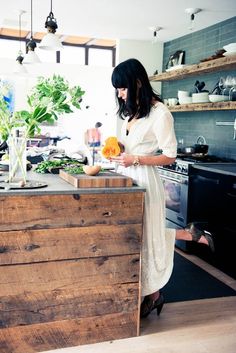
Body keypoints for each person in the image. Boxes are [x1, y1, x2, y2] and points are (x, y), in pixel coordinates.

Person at [110, 58, 214, 319]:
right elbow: (132, 147)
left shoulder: (160, 113)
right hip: (127, 178)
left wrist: (134, 158)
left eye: (122, 88)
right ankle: (153, 294)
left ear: (136, 83)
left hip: (145, 179)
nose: (120, 94)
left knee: (148, 237)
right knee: (139, 236)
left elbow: (170, 155)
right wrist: (122, 151)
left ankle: (152, 294)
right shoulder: (132, 112)